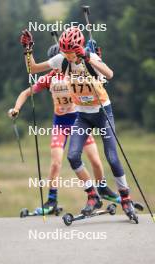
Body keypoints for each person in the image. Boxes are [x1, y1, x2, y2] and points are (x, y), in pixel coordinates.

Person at [19, 27, 136, 220]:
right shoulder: (62, 60)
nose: (67, 54)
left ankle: (125, 198)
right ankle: (92, 195)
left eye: (70, 51)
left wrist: (89, 58)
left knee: (112, 157)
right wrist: (27, 49)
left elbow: (110, 74)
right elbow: (33, 68)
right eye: (64, 50)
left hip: (102, 112)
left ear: (79, 47)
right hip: (82, 116)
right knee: (73, 156)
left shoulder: (89, 57)